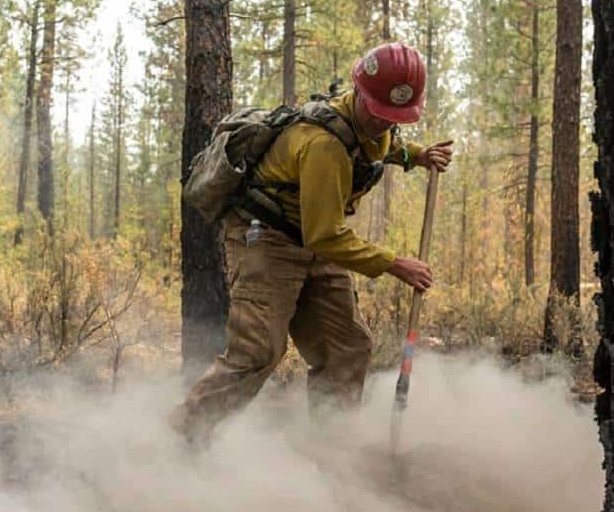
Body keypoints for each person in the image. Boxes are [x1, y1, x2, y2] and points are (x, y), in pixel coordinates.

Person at [173, 42, 454, 447]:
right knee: (257, 353)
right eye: (378, 111)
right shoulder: (323, 145)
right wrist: (394, 264)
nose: (383, 123)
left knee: (347, 348)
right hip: (266, 237)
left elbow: (381, 147)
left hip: (315, 239)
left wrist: (418, 155)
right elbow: (326, 234)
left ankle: (330, 455)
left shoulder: (372, 125)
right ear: (359, 92)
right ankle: (181, 440)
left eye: (393, 118)